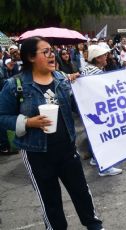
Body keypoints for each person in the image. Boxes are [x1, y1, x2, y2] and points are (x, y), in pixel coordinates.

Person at [0, 36, 103, 229]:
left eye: (52, 50)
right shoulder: (15, 85)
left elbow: (75, 107)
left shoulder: (61, 78)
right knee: (51, 201)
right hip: (36, 153)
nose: (52, 55)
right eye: (45, 51)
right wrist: (28, 122)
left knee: (81, 192)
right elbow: (1, 116)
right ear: (31, 57)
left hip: (67, 150)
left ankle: (94, 225)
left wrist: (82, 89)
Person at [81, 45, 123, 176]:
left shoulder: (87, 69)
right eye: (104, 55)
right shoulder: (96, 72)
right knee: (103, 137)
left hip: (89, 110)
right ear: (97, 58)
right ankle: (105, 167)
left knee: (95, 135)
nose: (107, 57)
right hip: (98, 111)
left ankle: (95, 158)